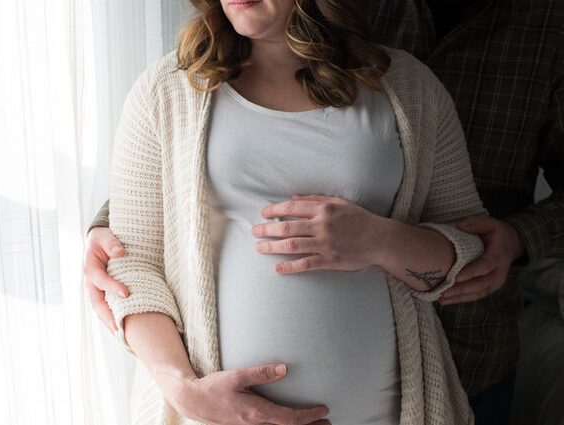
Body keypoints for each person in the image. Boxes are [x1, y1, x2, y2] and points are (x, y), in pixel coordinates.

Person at [86, 0, 564, 423]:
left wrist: (377, 240)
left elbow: (466, 247)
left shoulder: (410, 87)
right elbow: (137, 259)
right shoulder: (167, 91)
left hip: (411, 398)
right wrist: (185, 392)